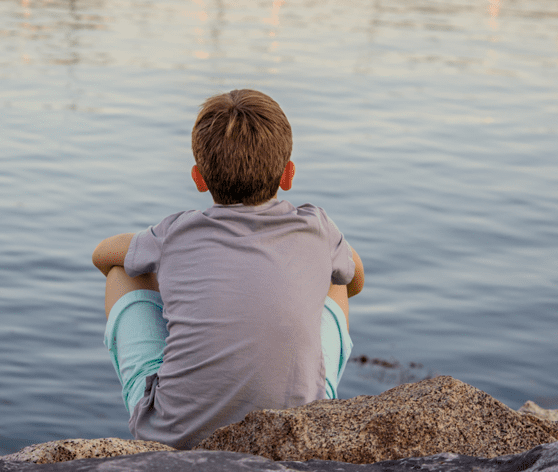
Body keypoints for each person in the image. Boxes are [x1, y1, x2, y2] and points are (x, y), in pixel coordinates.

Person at [93, 89, 365, 449]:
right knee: (336, 280)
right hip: (298, 431)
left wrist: (177, 283)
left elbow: (102, 255)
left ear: (198, 178)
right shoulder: (318, 228)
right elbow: (355, 278)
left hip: (175, 435)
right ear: (288, 175)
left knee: (122, 271)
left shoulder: (175, 232)